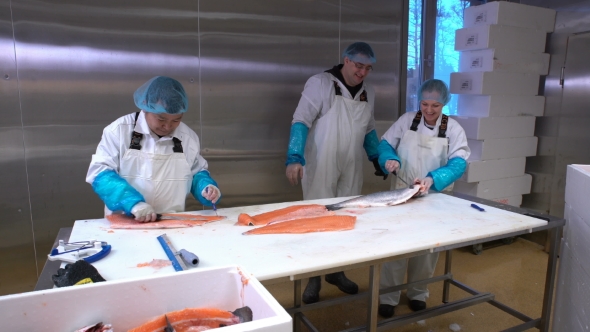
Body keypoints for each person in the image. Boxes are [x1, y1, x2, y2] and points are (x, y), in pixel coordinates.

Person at [285, 42, 387, 304]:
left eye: (368, 68)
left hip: (351, 166)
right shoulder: (320, 83)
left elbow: (369, 128)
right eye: (359, 66)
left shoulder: (368, 92)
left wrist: (376, 158)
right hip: (321, 164)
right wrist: (294, 157)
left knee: (346, 219)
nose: (363, 72)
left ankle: (336, 271)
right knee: (317, 219)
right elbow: (301, 120)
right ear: (346, 61)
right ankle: (314, 276)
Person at [375, 79, 470, 317]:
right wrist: (388, 158)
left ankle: (418, 293)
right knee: (396, 246)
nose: (428, 110)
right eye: (425, 104)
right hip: (401, 192)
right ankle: (388, 296)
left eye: (435, 106)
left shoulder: (454, 128)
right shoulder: (407, 120)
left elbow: (459, 163)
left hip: (434, 197)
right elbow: (385, 144)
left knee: (427, 250)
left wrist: (433, 178)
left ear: (444, 104)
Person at [86, 76, 221, 222]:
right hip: (126, 222)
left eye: (176, 120)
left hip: (171, 221)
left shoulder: (188, 137)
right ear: (145, 108)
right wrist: (133, 203)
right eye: (161, 119)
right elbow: (100, 173)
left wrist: (205, 187)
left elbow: (196, 172)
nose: (167, 126)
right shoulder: (118, 131)